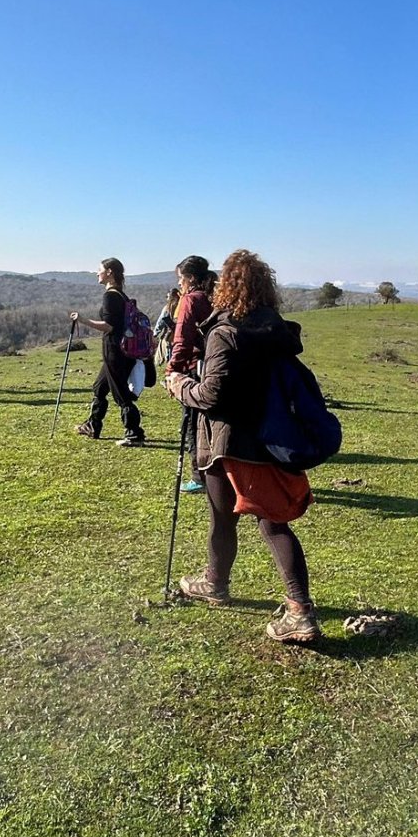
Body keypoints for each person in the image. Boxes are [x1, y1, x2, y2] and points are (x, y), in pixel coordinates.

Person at [165, 249, 321, 643]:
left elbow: (212, 394)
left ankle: (299, 611)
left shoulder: (225, 332)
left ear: (226, 288)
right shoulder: (276, 331)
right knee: (249, 520)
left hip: (230, 442)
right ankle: (216, 581)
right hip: (272, 439)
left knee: (266, 524)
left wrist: (180, 386)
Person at [70, 258, 144, 447]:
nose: (97, 273)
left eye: (100, 269)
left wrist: (83, 320)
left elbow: (109, 326)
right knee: (100, 388)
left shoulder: (111, 296)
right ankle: (92, 425)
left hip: (115, 351)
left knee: (121, 393)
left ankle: (134, 434)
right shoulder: (121, 295)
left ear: (109, 272)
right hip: (122, 350)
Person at [169, 254, 216, 495]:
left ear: (190, 278)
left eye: (181, 279)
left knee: (191, 422)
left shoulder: (190, 300)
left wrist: (173, 370)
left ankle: (198, 476)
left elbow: (183, 339)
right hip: (219, 366)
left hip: (197, 368)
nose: (179, 284)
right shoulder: (216, 297)